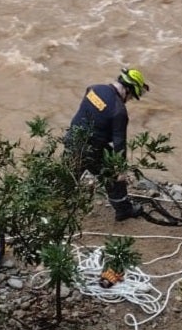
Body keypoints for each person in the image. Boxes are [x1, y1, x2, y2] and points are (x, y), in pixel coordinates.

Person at [65, 68, 151, 221]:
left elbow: (91, 109)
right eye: (131, 97)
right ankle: (123, 209)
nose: (129, 100)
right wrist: (121, 170)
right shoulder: (119, 111)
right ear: (128, 90)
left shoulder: (95, 88)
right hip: (92, 148)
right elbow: (119, 144)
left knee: (68, 176)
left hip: (72, 138)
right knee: (113, 174)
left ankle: (54, 204)